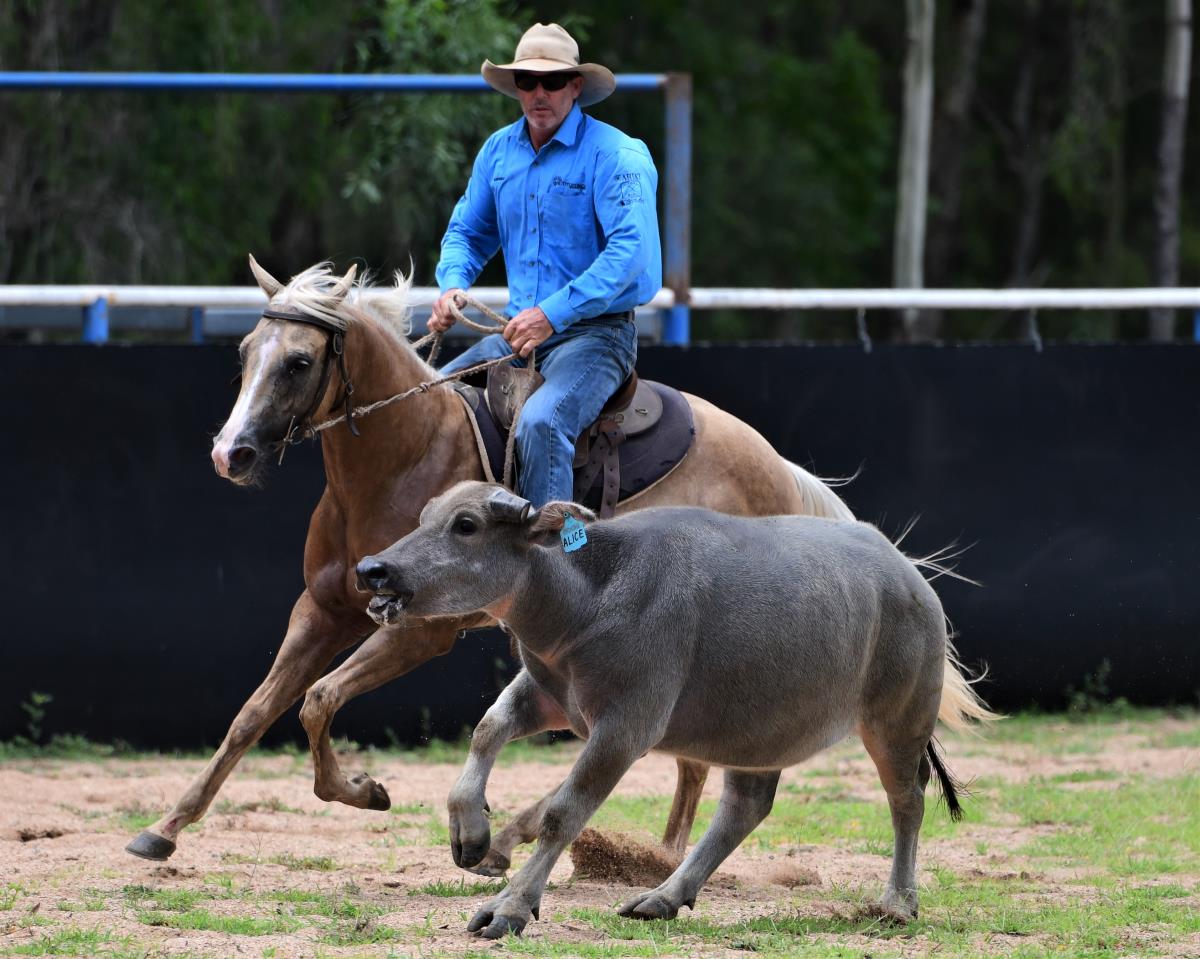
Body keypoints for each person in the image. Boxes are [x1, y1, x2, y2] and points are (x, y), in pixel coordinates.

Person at [429, 22, 662, 508]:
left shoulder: (617, 155)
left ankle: (559, 549)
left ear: (575, 86)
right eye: (527, 81)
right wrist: (452, 285)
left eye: (552, 81)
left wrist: (551, 315)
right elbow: (467, 234)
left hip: (599, 336)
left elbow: (629, 253)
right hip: (519, 334)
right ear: (515, 87)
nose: (540, 93)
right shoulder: (498, 152)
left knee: (542, 422)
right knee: (427, 399)